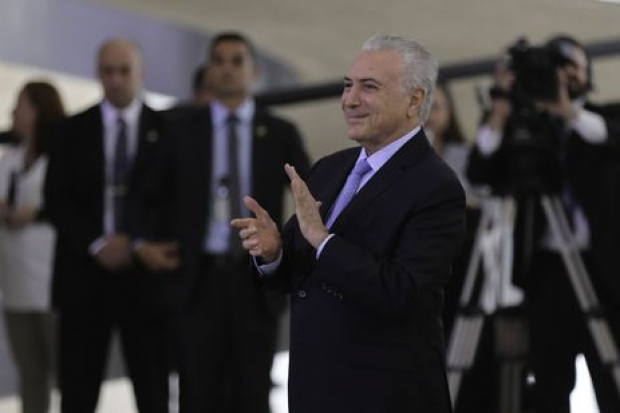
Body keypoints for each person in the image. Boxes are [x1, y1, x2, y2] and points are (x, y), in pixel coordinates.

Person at [231, 34, 465, 413]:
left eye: (368, 87)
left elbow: (402, 292)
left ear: (415, 100)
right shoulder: (330, 168)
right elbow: (300, 274)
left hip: (384, 395)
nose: (349, 99)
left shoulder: (437, 186)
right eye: (347, 85)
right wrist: (274, 252)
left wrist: (324, 241)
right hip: (316, 387)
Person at [133, 31, 311, 413]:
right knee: (197, 394)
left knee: (252, 394)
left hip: (256, 284)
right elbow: (144, 193)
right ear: (209, 70)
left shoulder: (279, 132)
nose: (228, 70)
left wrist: (284, 251)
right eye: (219, 60)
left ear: (254, 71)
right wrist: (141, 243)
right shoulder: (181, 131)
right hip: (197, 280)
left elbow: (308, 198)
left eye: (237, 61)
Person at [467, 34, 620, 413]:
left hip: (603, 267)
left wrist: (563, 108)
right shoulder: (529, 129)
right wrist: (501, 107)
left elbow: (605, 136)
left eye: (574, 69)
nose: (566, 78)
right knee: (551, 379)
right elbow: (480, 171)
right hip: (546, 270)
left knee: (611, 371)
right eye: (558, 70)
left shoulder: (603, 116)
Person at [44, 38, 169, 413]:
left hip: (145, 278)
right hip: (84, 276)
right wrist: (98, 243)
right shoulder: (71, 131)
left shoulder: (166, 131)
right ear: (98, 73)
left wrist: (133, 242)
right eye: (108, 71)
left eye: (124, 71)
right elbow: (57, 199)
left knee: (152, 390)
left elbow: (171, 200)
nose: (115, 80)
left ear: (140, 73)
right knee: (78, 391)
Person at [0, 81, 65, 413]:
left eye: (20, 104)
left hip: (51, 283)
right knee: (30, 374)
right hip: (15, 286)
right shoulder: (8, 160)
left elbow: (68, 208)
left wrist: (35, 213)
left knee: (65, 374)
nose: (13, 111)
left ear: (39, 109)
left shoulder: (61, 159)